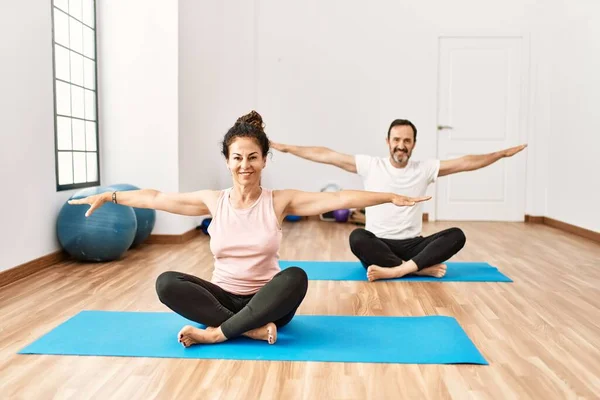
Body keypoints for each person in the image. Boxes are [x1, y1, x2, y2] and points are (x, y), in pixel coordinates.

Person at [68, 111, 430, 347]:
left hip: (269, 301)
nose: (245, 165)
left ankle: (218, 334)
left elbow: (340, 198)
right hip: (223, 297)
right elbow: (157, 197)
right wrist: (110, 196)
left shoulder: (279, 200)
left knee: (296, 277)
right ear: (227, 162)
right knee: (166, 283)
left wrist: (389, 196)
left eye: (253, 157)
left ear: (264, 160)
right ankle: (248, 329)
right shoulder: (213, 200)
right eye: (237, 158)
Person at [270, 118, 527, 282]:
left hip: (413, 244)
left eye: (407, 141)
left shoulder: (424, 168)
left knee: (457, 234)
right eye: (396, 140)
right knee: (356, 238)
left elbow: (465, 163)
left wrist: (501, 154)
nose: (401, 145)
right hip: (378, 243)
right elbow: (326, 155)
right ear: (388, 142)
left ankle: (398, 270)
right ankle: (418, 269)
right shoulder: (371, 165)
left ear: (414, 144)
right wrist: (285, 148)